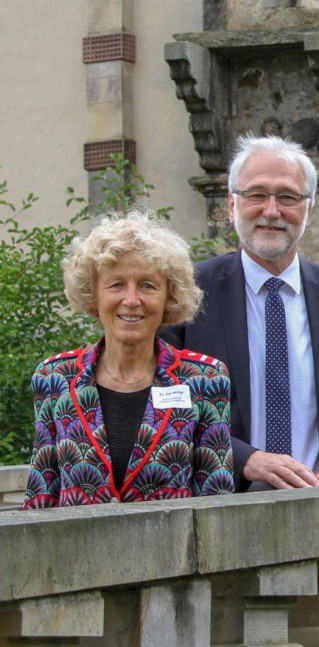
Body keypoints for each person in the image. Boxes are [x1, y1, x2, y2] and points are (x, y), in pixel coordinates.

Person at [161, 134, 319, 490]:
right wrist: (246, 459)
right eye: (256, 194)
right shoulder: (188, 293)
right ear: (231, 204)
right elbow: (165, 409)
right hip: (219, 507)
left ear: (309, 208)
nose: (271, 211)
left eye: (288, 197)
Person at [23, 212, 234, 508]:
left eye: (148, 285)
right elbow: (40, 498)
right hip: (77, 553)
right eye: (116, 284)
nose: (132, 300)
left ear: (168, 298)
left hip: (174, 553)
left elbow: (217, 503)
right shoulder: (55, 377)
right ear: (93, 295)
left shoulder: (204, 379)